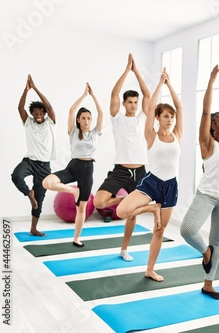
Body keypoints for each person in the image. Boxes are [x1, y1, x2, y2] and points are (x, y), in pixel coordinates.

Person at [180, 65, 219, 300]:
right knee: (188, 230)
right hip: (206, 195)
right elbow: (205, 112)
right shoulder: (207, 143)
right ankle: (205, 252)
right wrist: (211, 81)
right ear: (213, 126)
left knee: (217, 240)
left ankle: (209, 284)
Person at [116, 68, 184, 281]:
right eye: (166, 116)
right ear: (157, 118)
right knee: (122, 210)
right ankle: (150, 208)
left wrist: (169, 84)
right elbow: (151, 106)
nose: (170, 119)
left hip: (171, 185)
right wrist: (159, 84)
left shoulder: (177, 134)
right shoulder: (150, 134)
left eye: (172, 117)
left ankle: (150, 269)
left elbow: (180, 108)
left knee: (160, 231)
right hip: (152, 182)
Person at [93, 53, 150, 261]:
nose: (134, 105)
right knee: (99, 202)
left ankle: (124, 249)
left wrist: (137, 72)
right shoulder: (117, 119)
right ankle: (125, 200)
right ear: (125, 104)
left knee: (132, 214)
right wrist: (127, 70)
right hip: (120, 170)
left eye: (136, 102)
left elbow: (148, 96)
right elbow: (114, 94)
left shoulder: (143, 118)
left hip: (141, 171)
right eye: (131, 102)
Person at [43, 83, 103, 247]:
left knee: (81, 208)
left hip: (88, 169)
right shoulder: (73, 131)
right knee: (47, 182)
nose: (86, 120)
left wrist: (94, 96)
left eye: (89, 118)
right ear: (78, 119)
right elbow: (71, 110)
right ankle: (72, 191)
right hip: (73, 166)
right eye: (83, 118)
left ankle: (76, 238)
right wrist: (84, 95)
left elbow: (101, 113)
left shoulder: (96, 133)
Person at [11, 74, 56, 236]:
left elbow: (49, 106)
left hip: (44, 166)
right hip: (30, 162)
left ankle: (33, 228)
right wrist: (26, 90)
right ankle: (28, 193)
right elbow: (20, 108)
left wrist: (35, 88)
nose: (37, 115)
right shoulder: (28, 122)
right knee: (16, 176)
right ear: (32, 114)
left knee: (40, 198)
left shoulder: (50, 121)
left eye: (40, 112)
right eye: (35, 112)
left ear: (44, 113)